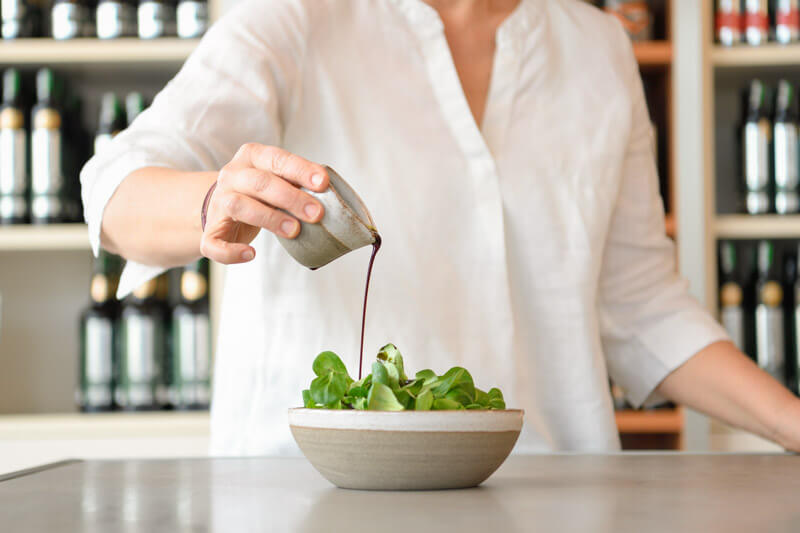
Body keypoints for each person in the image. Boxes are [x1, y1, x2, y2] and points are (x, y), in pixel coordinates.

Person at [81, 0, 800, 455]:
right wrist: (213, 202)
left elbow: (644, 308)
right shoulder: (293, 19)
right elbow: (114, 191)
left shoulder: (598, 51)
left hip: (550, 495)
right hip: (312, 503)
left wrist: (790, 423)